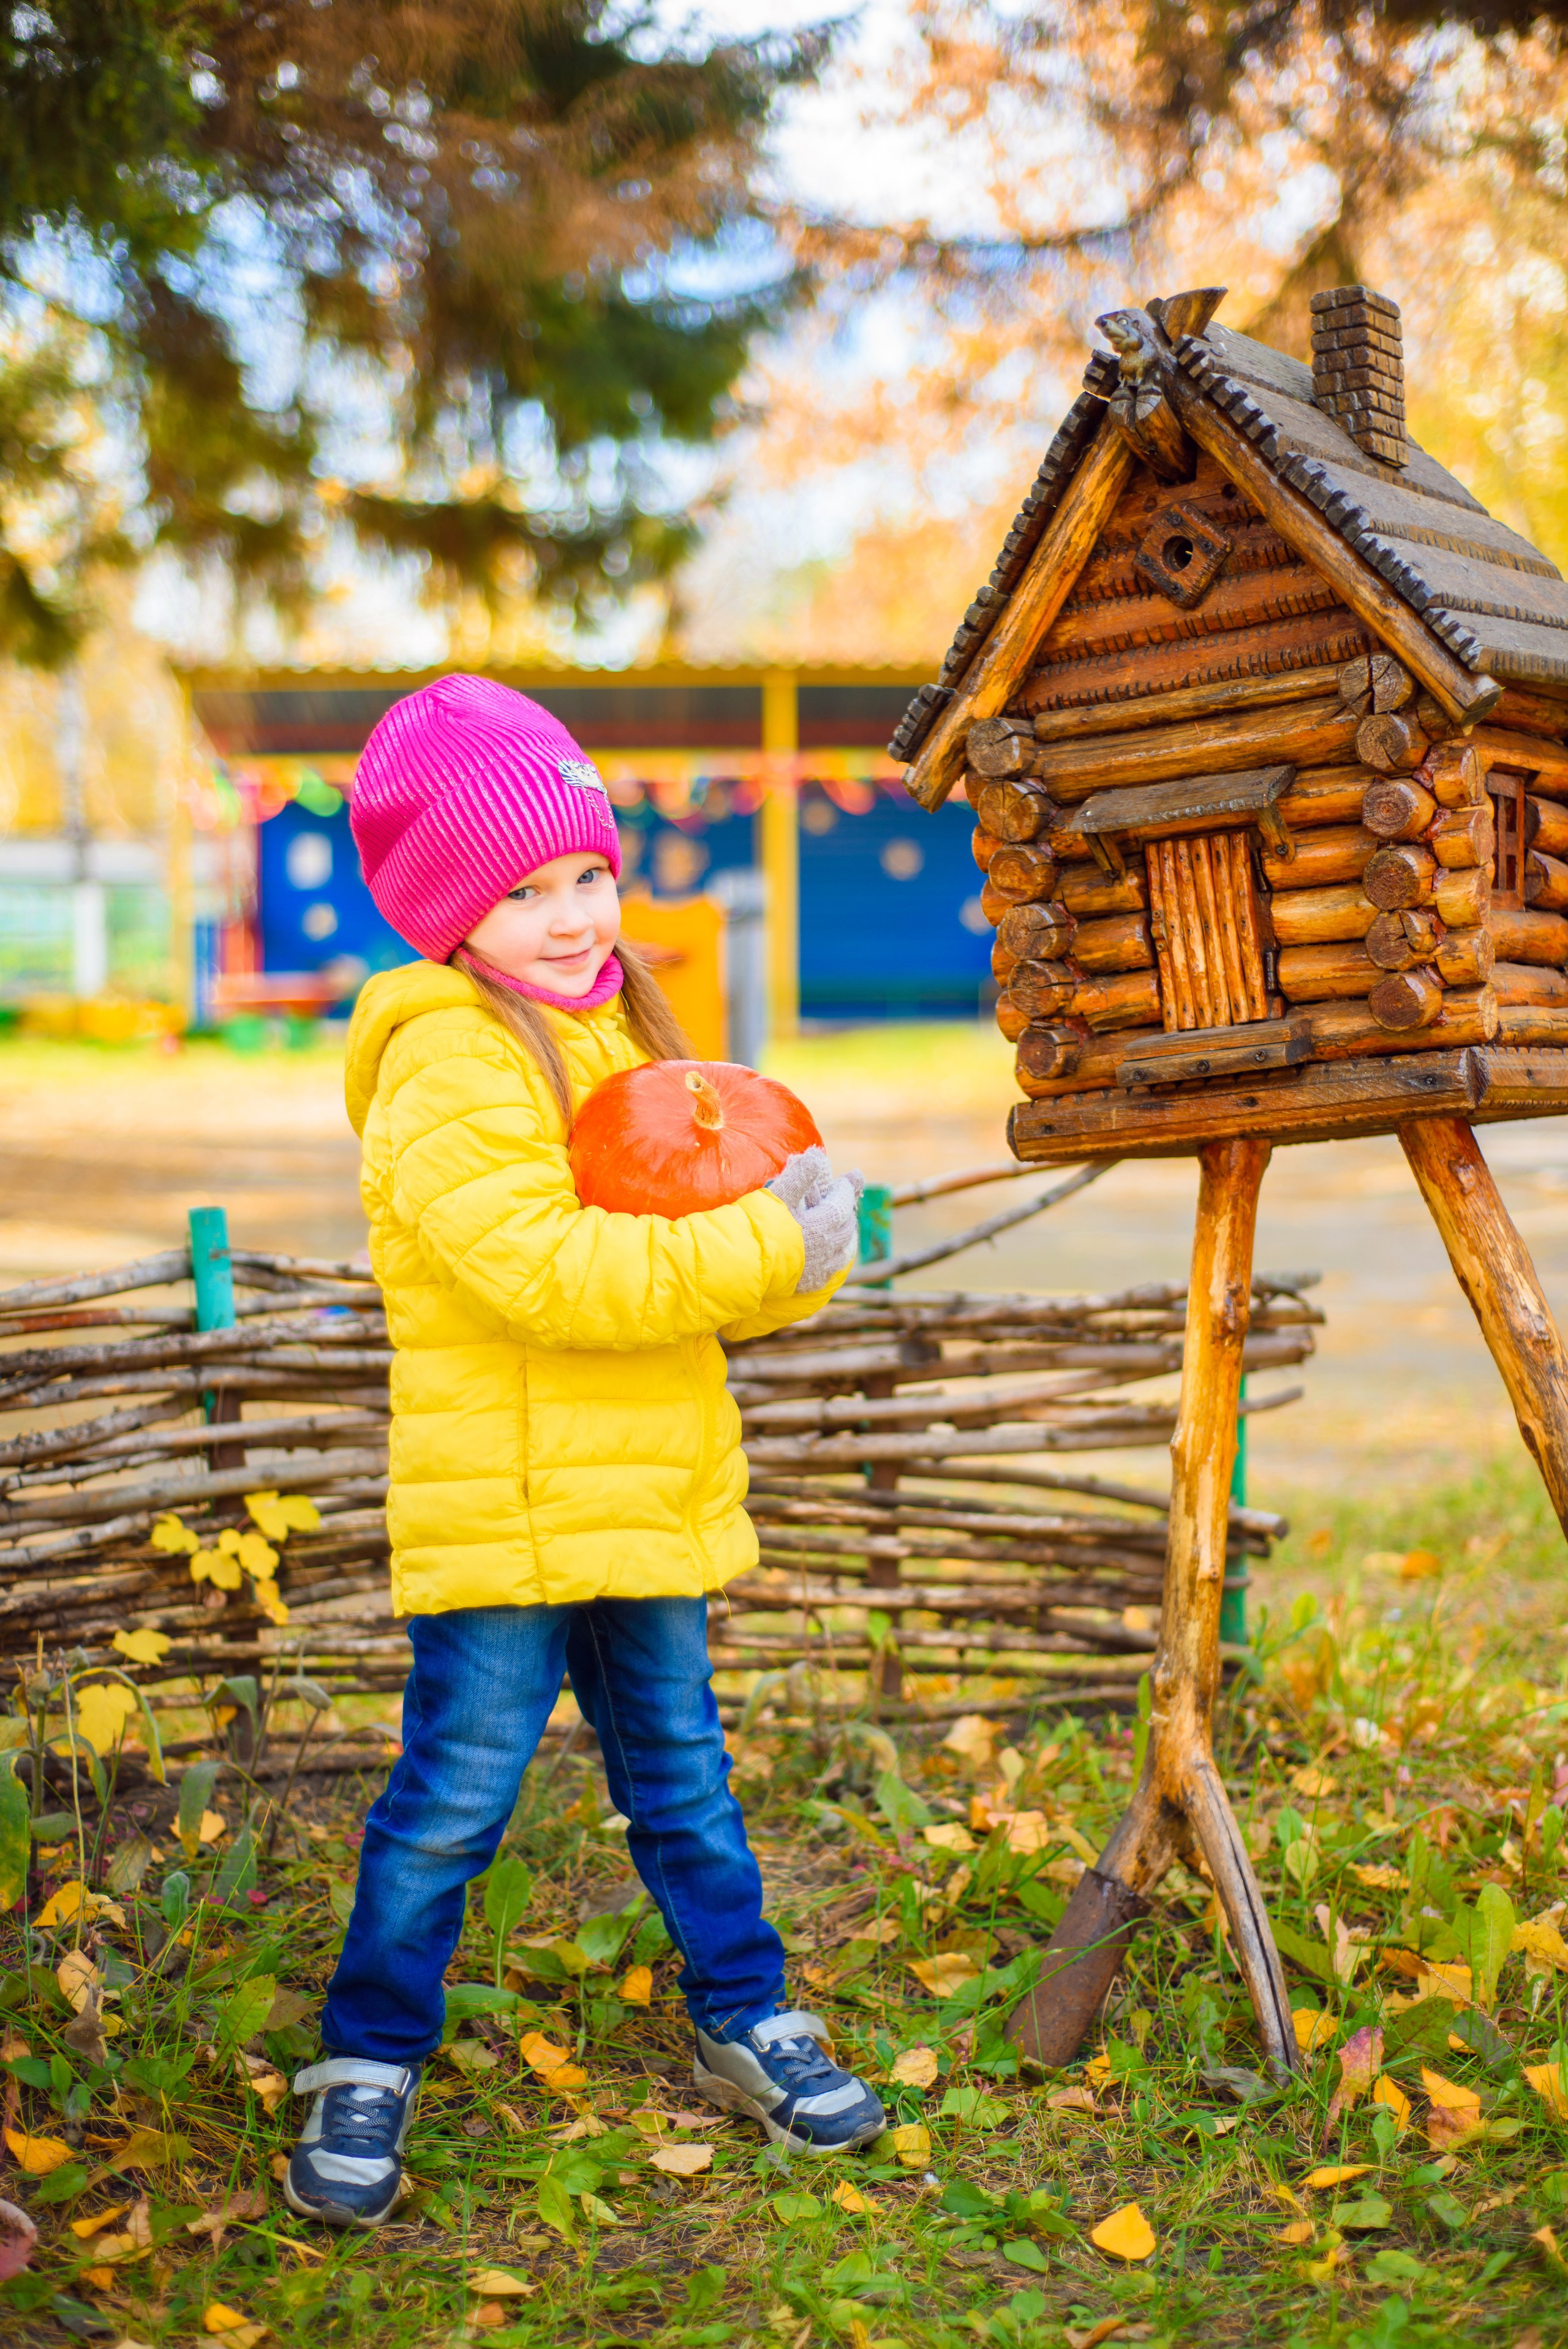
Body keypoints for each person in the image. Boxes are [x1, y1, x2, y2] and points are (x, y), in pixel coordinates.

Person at [284, 674, 886, 2229]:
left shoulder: (623, 1030)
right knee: (453, 1797)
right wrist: (764, 1247)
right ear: (446, 908)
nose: (568, 915)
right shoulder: (447, 1057)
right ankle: (367, 2052)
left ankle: (744, 2008)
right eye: (521, 890)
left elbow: (694, 1256)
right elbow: (548, 1273)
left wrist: (796, 1246)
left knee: (683, 1777)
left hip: (645, 1490)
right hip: (505, 1510)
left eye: (585, 874)